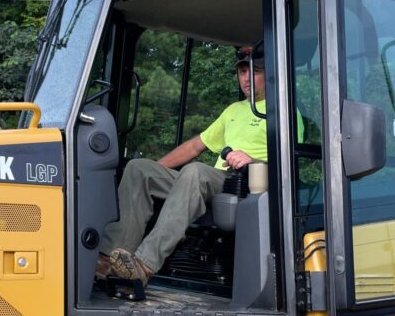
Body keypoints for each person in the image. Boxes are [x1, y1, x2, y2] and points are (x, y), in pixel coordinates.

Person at [98, 44, 268, 285]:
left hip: (243, 183)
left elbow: (289, 163)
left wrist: (254, 160)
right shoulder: (233, 110)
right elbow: (194, 146)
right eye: (242, 72)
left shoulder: (281, 112)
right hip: (210, 180)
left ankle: (144, 264)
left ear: (269, 75)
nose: (247, 78)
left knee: (196, 170)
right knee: (139, 168)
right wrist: (156, 171)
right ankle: (108, 260)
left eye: (256, 71)